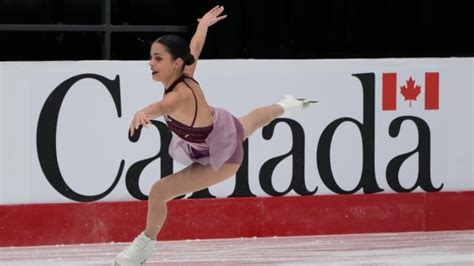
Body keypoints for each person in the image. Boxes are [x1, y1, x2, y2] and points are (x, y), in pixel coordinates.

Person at [114, 5, 313, 266]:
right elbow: (194, 49)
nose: (150, 63)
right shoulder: (185, 72)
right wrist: (203, 25)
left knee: (159, 191)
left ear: (175, 63)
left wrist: (143, 111)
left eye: (158, 58)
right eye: (151, 57)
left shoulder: (179, 94)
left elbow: (162, 107)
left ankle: (143, 247)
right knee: (254, 119)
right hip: (218, 132)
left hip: (224, 154)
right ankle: (289, 105)